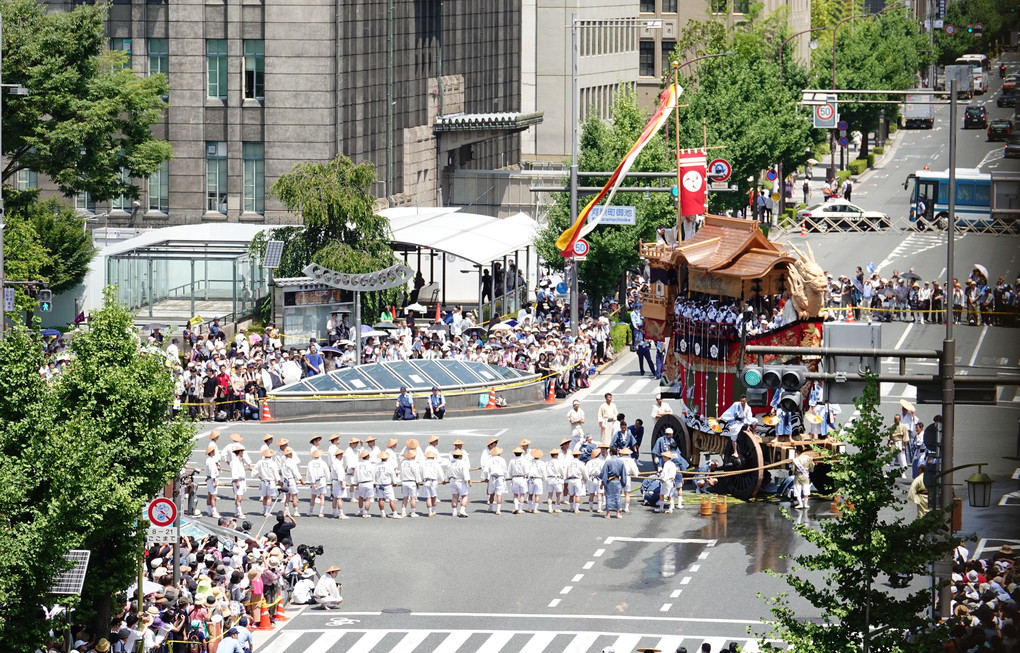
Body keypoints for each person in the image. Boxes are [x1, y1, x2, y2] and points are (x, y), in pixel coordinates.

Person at [600, 447, 628, 519]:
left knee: (609, 496)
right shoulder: (621, 462)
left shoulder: (608, 462)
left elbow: (604, 473)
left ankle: (608, 514)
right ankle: (618, 513)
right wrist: (623, 483)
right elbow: (624, 474)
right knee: (617, 496)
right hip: (617, 481)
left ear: (611, 453)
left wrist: (603, 482)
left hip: (610, 481)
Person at [374, 451, 401, 518]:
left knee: (380, 499)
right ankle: (394, 513)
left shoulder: (376, 466)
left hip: (379, 484)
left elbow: (373, 475)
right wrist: (395, 482)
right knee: (391, 499)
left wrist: (374, 482)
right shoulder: (389, 466)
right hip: (387, 485)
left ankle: (382, 512)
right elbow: (393, 475)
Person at [420, 449, 445, 518]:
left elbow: (421, 472)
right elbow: (440, 472)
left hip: (426, 481)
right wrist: (443, 480)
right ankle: (434, 510)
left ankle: (429, 512)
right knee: (434, 496)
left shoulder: (423, 463)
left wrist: (422, 480)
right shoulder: (435, 463)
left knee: (428, 497)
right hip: (433, 481)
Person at [399, 449, 423, 518]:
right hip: (412, 482)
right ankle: (413, 512)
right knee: (413, 498)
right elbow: (416, 474)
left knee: (405, 498)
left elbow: (401, 473)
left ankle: (403, 512)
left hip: (404, 481)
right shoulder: (414, 463)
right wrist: (418, 483)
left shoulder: (403, 463)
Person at [484, 446, 508, 514]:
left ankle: (491, 507)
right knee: (499, 494)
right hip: (500, 477)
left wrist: (486, 478)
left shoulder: (490, 460)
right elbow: (505, 470)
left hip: (492, 477)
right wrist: (505, 477)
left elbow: (486, 470)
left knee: (491, 493)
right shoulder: (502, 459)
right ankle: (498, 510)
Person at [449, 449, 471, 517]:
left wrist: (446, 479)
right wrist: (468, 481)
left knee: (455, 496)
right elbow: (466, 473)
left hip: (452, 480)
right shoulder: (462, 463)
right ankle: (462, 509)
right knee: (465, 495)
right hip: (460, 481)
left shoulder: (450, 463)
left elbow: (447, 473)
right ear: (460, 456)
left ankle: (454, 511)